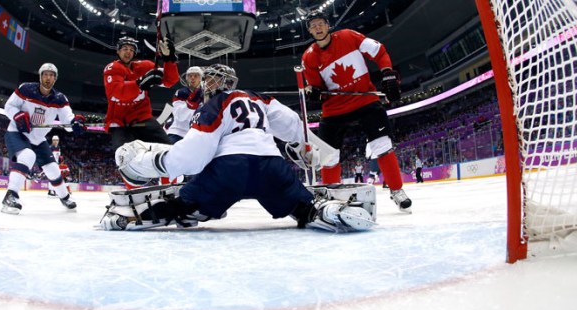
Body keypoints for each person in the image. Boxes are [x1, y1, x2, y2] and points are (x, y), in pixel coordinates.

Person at [100, 64, 376, 233]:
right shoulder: (258, 98)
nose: (206, 85)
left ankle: (135, 217)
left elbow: (194, 157)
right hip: (272, 166)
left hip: (229, 170)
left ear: (220, 83)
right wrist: (303, 147)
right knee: (302, 208)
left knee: (182, 205)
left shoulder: (213, 105)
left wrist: (151, 161)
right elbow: (292, 124)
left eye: (209, 80)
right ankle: (327, 213)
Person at [301, 11, 412, 212]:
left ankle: (397, 191)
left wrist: (387, 73)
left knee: (382, 145)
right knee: (329, 157)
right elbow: (317, 89)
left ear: (328, 25)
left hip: (365, 100)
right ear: (309, 31)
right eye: (313, 25)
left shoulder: (348, 36)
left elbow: (380, 51)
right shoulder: (309, 57)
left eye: (321, 23)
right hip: (334, 109)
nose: (317, 28)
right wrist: (313, 92)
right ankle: (332, 199)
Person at [1, 62, 85, 214]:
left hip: (38, 138)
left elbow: (67, 120)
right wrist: (17, 116)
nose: (48, 78)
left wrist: (75, 123)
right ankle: (10, 196)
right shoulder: (25, 88)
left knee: (53, 168)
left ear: (55, 79)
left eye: (52, 76)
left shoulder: (60, 98)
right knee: (27, 155)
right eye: (45, 74)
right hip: (17, 132)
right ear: (40, 76)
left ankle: (64, 197)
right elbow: (8, 107)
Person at [102, 36, 179, 187]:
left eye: (131, 50)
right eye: (125, 49)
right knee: (125, 158)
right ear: (118, 51)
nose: (128, 52)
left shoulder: (145, 66)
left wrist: (169, 60)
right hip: (120, 123)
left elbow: (170, 81)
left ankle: (169, 189)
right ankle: (133, 192)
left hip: (143, 118)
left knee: (170, 152)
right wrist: (140, 83)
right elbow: (116, 92)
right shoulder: (112, 68)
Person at [166, 66, 204, 144]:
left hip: (197, 133)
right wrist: (191, 104)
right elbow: (180, 116)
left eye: (196, 76)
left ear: (200, 78)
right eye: (190, 76)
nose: (192, 78)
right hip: (178, 132)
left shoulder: (206, 94)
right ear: (187, 78)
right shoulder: (181, 93)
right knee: (168, 152)